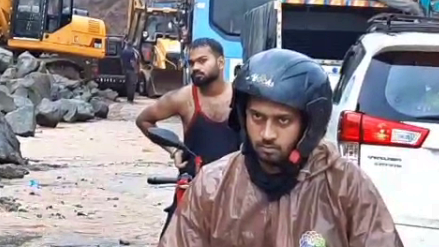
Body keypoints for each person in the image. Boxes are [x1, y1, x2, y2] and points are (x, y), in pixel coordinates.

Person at [159, 48, 403, 247]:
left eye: (282, 120)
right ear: (243, 116)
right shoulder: (212, 186)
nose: (267, 134)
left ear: (309, 125)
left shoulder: (345, 186)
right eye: (257, 117)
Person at [135, 38, 240, 237]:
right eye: (191, 63)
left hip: (234, 196)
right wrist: (174, 150)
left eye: (202, 61)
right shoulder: (183, 99)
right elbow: (144, 120)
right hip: (191, 194)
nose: (195, 67)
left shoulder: (243, 98)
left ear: (221, 62)